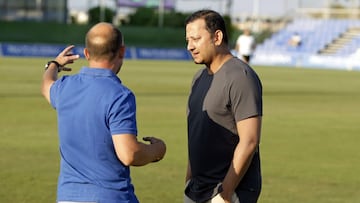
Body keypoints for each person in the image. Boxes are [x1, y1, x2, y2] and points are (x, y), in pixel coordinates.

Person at [41, 22, 166, 203]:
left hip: (68, 197)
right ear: (121, 52)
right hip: (110, 197)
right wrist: (157, 150)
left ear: (86, 53)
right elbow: (129, 154)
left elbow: (46, 85)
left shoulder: (64, 87)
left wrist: (54, 64)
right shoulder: (120, 95)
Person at [184, 10, 263, 203]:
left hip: (228, 192)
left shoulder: (240, 77)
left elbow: (250, 141)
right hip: (196, 190)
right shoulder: (199, 78)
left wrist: (225, 193)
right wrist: (188, 180)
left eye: (195, 39)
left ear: (217, 37)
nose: (189, 46)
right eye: (187, 40)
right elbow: (196, 134)